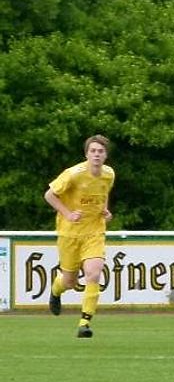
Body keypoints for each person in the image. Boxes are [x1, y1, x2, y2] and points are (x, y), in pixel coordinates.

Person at [45, 135, 116, 338]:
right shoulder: (73, 174)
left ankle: (84, 323)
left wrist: (105, 210)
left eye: (100, 151)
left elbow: (104, 193)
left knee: (94, 273)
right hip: (70, 233)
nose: (96, 154)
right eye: (93, 151)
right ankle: (56, 290)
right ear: (86, 154)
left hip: (94, 232)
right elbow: (49, 195)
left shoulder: (109, 174)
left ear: (106, 155)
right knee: (70, 281)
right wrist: (67, 214)